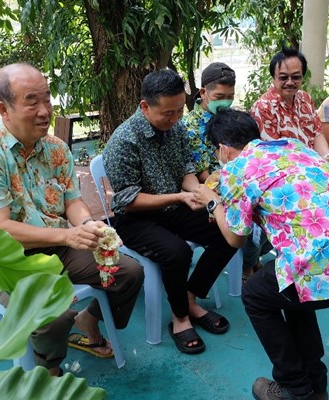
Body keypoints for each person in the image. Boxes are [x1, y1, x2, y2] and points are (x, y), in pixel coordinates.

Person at [0, 63, 144, 376]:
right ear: (4, 109)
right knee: (55, 315)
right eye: (32, 101)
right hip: (5, 261)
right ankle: (49, 368)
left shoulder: (56, 148)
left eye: (47, 99)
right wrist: (66, 237)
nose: (45, 111)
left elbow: (72, 200)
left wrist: (86, 225)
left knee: (128, 272)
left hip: (58, 246)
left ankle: (89, 319)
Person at [194, 108, 329, 400]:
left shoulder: (236, 168)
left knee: (255, 294)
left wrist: (212, 203)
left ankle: (293, 388)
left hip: (326, 266)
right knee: (290, 291)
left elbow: (234, 239)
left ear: (222, 149)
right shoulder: (292, 146)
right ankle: (316, 384)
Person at [103, 68, 237, 355]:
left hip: (173, 206)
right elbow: (127, 200)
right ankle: (180, 318)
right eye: (168, 113)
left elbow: (186, 170)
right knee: (177, 252)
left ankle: (189, 296)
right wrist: (179, 195)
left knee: (229, 230)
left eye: (179, 111)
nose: (175, 119)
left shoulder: (175, 129)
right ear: (144, 106)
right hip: (134, 218)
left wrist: (198, 193)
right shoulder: (123, 141)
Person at [183, 62, 267, 283]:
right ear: (204, 93)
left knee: (268, 207)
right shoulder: (190, 127)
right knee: (250, 217)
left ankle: (251, 260)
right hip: (212, 188)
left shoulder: (231, 117)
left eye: (230, 96)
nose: (226, 101)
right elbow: (203, 176)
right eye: (220, 95)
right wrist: (233, 183)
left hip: (238, 179)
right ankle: (248, 266)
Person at [250, 46, 329, 162]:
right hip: (285, 170)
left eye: (296, 77)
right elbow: (274, 153)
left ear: (303, 77)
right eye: (283, 77)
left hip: (313, 165)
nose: (290, 82)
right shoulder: (263, 107)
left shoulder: (305, 98)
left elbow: (317, 134)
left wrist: (327, 156)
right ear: (273, 77)